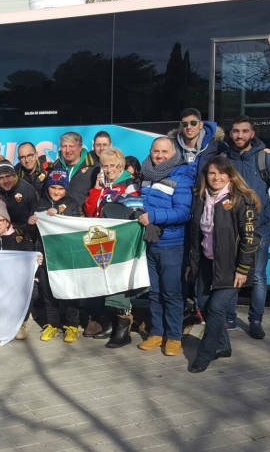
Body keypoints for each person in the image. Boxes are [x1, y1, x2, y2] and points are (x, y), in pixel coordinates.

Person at [188, 156, 261, 372]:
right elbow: (194, 236)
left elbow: (250, 238)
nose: (216, 177)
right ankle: (223, 346)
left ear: (230, 175)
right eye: (212, 173)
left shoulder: (241, 200)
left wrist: (243, 269)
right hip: (206, 263)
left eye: (221, 173)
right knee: (202, 304)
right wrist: (190, 265)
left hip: (231, 266)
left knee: (217, 307)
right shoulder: (200, 198)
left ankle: (205, 353)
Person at [226, 115, 270, 339]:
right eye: (235, 131)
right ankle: (229, 319)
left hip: (258, 228)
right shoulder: (224, 158)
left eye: (244, 131)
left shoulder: (266, 159)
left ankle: (255, 320)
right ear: (231, 133)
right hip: (230, 228)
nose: (239, 135)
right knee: (230, 273)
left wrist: (263, 218)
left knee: (258, 276)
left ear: (252, 134)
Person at [137, 137, 194, 356]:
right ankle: (156, 333)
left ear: (173, 154)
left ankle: (174, 337)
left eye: (164, 152)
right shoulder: (146, 175)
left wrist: (154, 216)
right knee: (155, 293)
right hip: (150, 242)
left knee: (172, 294)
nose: (159, 155)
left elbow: (184, 212)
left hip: (172, 244)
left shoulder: (181, 176)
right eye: (155, 151)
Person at [82, 148, 143, 347]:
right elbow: (91, 210)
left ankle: (123, 329)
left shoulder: (127, 183)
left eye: (113, 166)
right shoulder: (104, 185)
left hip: (121, 241)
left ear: (121, 166)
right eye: (105, 166)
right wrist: (97, 189)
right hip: (102, 239)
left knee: (119, 282)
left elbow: (134, 210)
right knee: (105, 281)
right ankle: (111, 324)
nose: (109, 170)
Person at [28, 169, 83, 343]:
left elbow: (77, 226)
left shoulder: (72, 204)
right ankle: (52, 324)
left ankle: (71, 325)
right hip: (46, 256)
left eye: (61, 188)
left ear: (66, 188)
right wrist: (30, 223)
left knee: (68, 291)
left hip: (67, 257)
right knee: (47, 291)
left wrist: (60, 215)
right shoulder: (40, 203)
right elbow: (33, 232)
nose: (57, 191)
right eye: (53, 187)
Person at [0, 195, 43, 340]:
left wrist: (37, 260)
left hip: (16, 283)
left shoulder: (20, 238)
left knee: (31, 289)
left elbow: (31, 257)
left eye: (0, 220)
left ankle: (21, 322)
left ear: (7, 221)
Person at [170, 108, 227, 182]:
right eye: (185, 124)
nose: (189, 127)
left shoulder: (217, 146)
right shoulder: (171, 146)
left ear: (200, 125)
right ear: (181, 126)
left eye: (193, 123)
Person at [0, 161, 37, 237]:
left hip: (24, 235)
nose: (5, 181)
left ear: (14, 175)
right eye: (1, 178)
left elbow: (34, 216)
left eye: (8, 176)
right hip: (0, 234)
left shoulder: (27, 189)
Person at [51, 131, 99, 208]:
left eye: (71, 146)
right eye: (64, 146)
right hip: (58, 216)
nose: (67, 150)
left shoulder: (93, 168)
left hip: (82, 217)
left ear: (80, 147)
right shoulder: (54, 168)